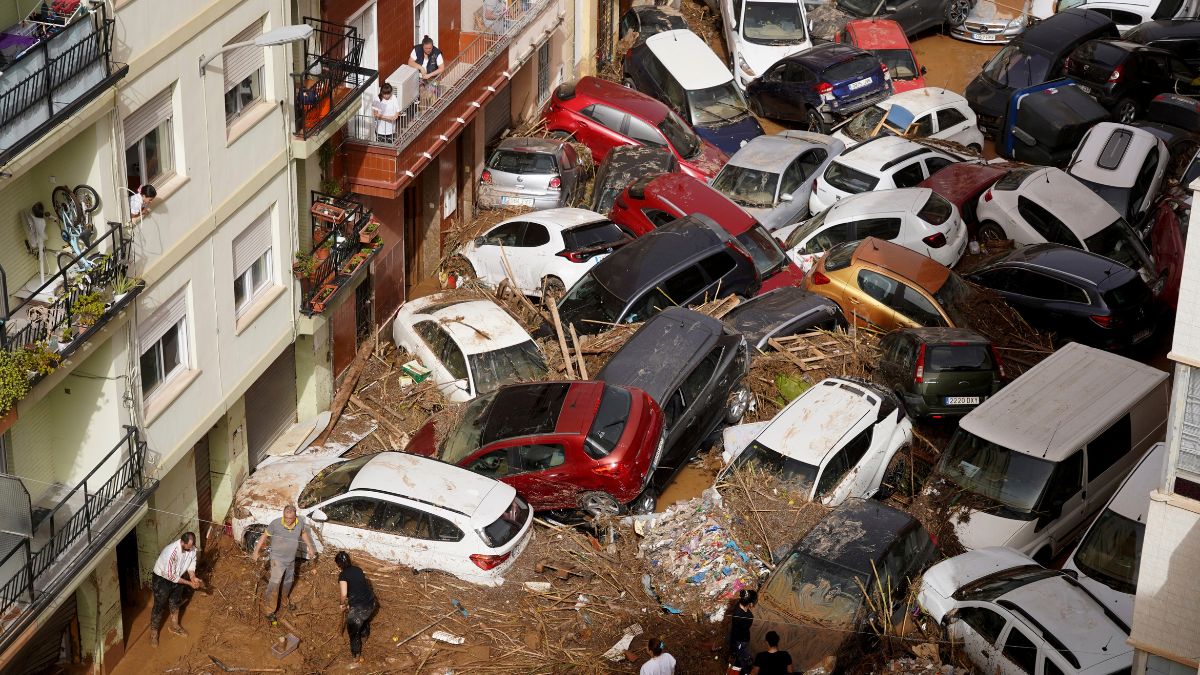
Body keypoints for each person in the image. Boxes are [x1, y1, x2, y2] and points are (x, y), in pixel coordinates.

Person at [251, 504, 317, 622]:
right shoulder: (276, 524)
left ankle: (284, 600)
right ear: (283, 515)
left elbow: (303, 533)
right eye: (285, 518)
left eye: (290, 519)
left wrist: (310, 547)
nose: (287, 521)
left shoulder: (300, 522)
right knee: (274, 584)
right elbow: (264, 536)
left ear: (295, 516)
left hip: (290, 559)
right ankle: (269, 610)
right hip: (277, 559)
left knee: (288, 581)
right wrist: (256, 551)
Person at [149, 532, 204, 647]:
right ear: (182, 542)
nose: (190, 550)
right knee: (159, 604)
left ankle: (175, 625)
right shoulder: (171, 553)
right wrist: (189, 583)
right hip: (162, 579)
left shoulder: (192, 548)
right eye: (188, 548)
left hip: (178, 577)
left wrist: (192, 576)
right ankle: (154, 633)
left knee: (176, 601)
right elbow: (171, 577)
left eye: (191, 547)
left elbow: (192, 561)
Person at [335, 551, 377, 663]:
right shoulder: (358, 570)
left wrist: (341, 604)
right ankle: (365, 635)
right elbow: (359, 587)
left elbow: (344, 594)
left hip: (361, 607)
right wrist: (350, 604)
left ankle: (356, 655)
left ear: (339, 565)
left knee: (353, 630)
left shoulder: (343, 575)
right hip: (371, 603)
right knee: (364, 618)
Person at [728, 589, 757, 671]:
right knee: (740, 654)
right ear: (750, 603)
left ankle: (744, 658)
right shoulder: (749, 616)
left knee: (741, 650)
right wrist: (734, 647)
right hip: (741, 640)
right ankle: (743, 665)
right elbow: (736, 633)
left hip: (740, 637)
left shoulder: (738, 608)